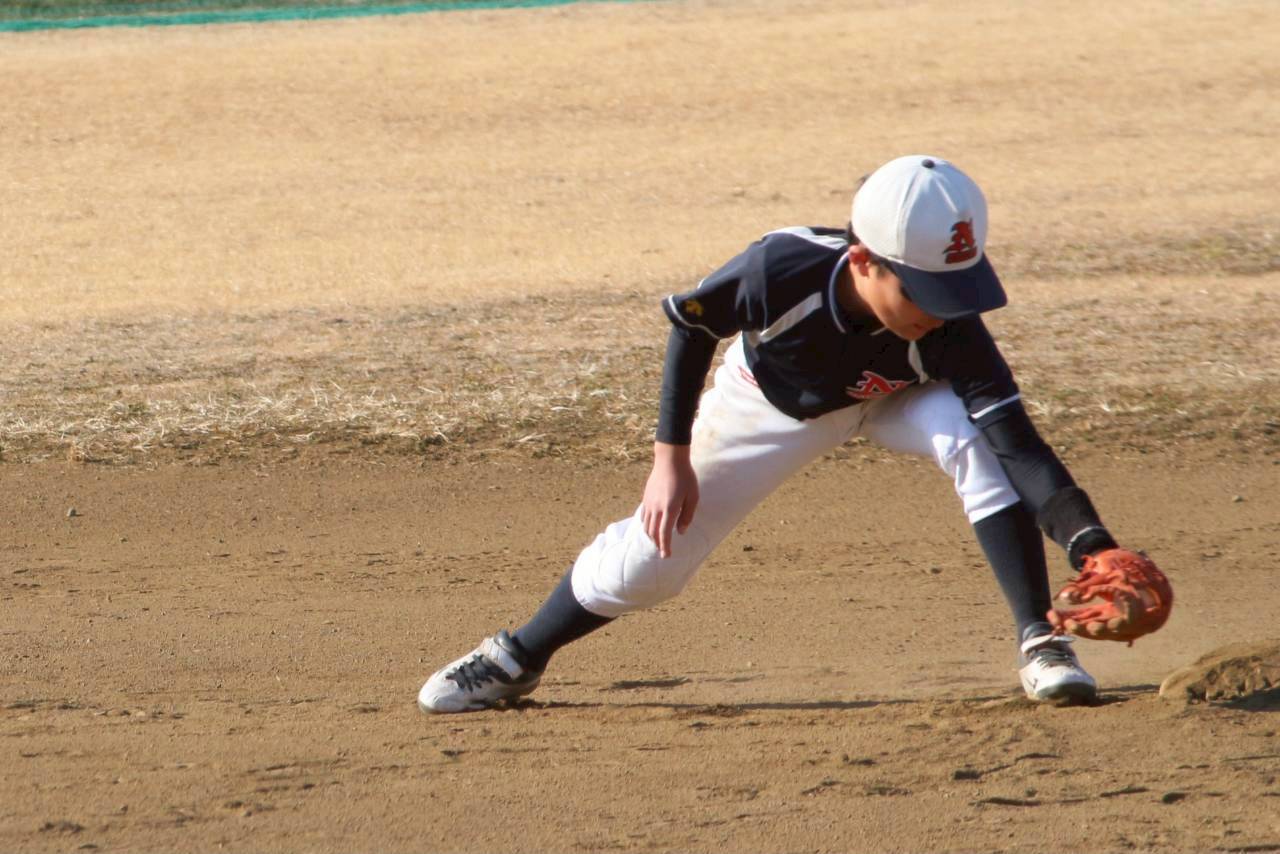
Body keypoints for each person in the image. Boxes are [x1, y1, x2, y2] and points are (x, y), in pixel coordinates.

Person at [418, 154, 1138, 713]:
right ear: (864, 260)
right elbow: (691, 324)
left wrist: (1092, 544)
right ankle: (518, 657)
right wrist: (670, 458)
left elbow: (1020, 446)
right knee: (651, 565)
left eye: (958, 290)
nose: (944, 311)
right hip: (767, 405)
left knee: (974, 442)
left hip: (899, 401)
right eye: (925, 291)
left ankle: (1041, 642)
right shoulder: (782, 267)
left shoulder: (952, 332)